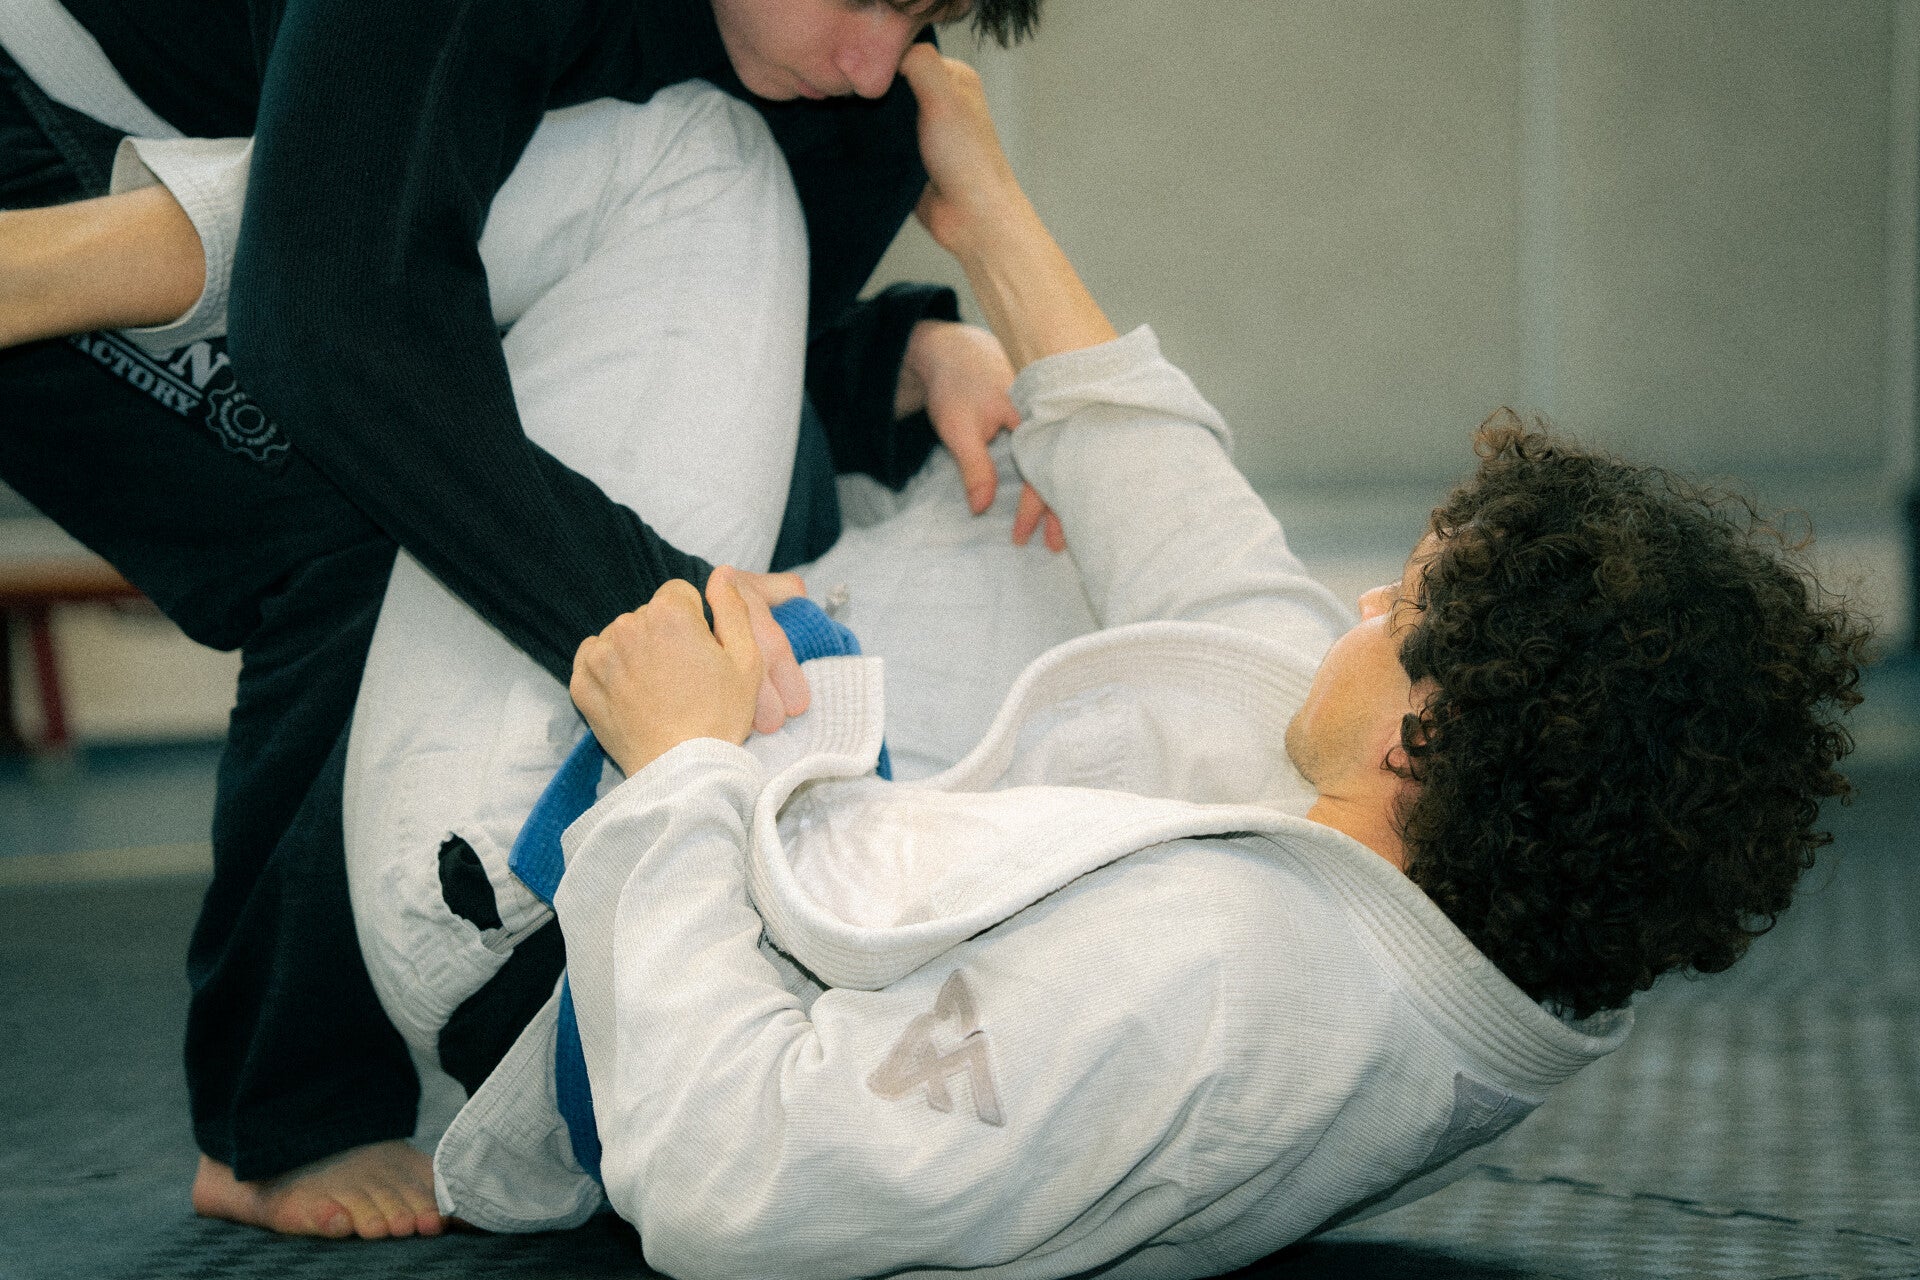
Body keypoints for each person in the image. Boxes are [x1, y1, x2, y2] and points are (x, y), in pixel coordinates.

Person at [11, 46, 1870, 1277]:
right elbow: (1199, 538)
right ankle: (868, 371)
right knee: (1050, 524)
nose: (1367, 604)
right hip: (773, 816)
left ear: (1429, 741)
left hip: (535, 911)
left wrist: (679, 766)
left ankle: (117, 266)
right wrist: (980, 211)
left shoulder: (1214, 995)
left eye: (1409, 613)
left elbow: (733, 1180)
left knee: (683, 167)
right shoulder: (1436, 882)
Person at [0, 0, 1046, 1241]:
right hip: (49, 113)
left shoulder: (850, 101)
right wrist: (665, 610)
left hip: (317, 195)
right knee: (370, 507)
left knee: (714, 472)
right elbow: (340, 331)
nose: (877, 61)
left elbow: (677, 331)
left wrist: (899, 356)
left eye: (921, 13)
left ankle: (209, 229)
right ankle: (280, 1118)